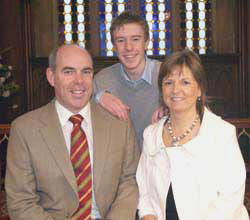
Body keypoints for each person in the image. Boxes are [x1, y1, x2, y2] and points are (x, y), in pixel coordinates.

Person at [5, 44, 140, 220]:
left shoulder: (119, 124)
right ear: (51, 77)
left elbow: (130, 181)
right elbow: (21, 202)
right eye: (68, 72)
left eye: (86, 72)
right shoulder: (25, 130)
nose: (79, 81)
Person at [136, 49, 249, 220]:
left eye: (185, 82)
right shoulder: (151, 135)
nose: (176, 90)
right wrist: (148, 217)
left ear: (199, 90)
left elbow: (230, 199)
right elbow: (144, 193)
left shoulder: (221, 133)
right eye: (168, 83)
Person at [93, 11, 163, 149]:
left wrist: (172, 109)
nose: (128, 47)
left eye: (135, 39)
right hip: (121, 163)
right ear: (114, 46)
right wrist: (98, 97)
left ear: (146, 43)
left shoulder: (167, 74)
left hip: (160, 159)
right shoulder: (102, 79)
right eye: (121, 40)